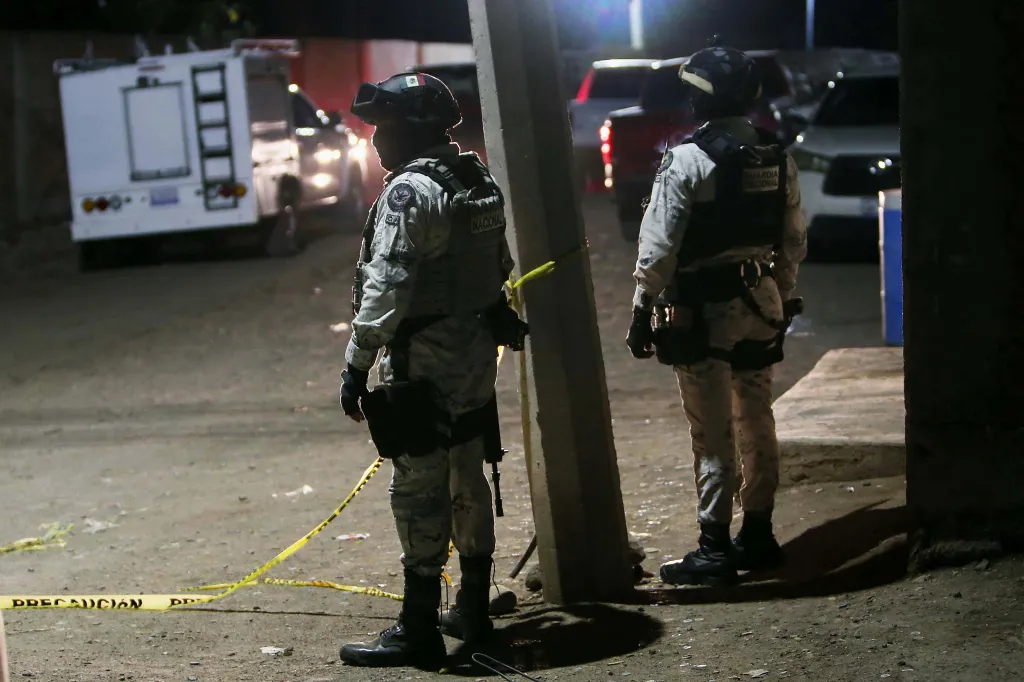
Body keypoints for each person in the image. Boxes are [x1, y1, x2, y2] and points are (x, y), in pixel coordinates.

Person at [336, 72, 526, 669]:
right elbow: (499, 264)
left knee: (418, 490)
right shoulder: (475, 178)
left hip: (422, 362)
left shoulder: (409, 192)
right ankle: (471, 605)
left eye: (382, 127)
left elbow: (387, 287)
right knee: (468, 475)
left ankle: (417, 627)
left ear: (409, 130)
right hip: (472, 351)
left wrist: (357, 363)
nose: (375, 141)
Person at [625, 39, 808, 587]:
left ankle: (713, 546)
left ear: (698, 100)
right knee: (757, 417)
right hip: (761, 302)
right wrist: (780, 293)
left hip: (705, 310)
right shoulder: (777, 156)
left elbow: (658, 249)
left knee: (712, 433)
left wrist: (641, 311)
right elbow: (793, 240)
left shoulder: (688, 159)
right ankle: (759, 533)